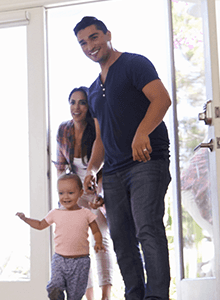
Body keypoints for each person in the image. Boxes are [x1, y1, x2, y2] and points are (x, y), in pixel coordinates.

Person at [73, 16, 173, 300]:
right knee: (121, 238)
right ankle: (134, 295)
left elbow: (162, 99)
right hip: (114, 172)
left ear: (108, 34)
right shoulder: (93, 91)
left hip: (146, 161)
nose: (90, 45)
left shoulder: (134, 64)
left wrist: (142, 133)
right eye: (83, 42)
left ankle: (156, 297)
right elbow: (102, 136)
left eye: (94, 37)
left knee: (147, 228)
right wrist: (92, 169)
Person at [54, 86, 115, 300]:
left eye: (82, 102)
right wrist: (65, 200)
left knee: (101, 240)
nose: (76, 107)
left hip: (100, 190)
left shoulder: (97, 131)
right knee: (79, 247)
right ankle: (88, 295)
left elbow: (107, 166)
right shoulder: (64, 130)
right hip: (77, 194)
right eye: (72, 102)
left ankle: (106, 295)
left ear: (89, 106)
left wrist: (99, 196)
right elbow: (61, 168)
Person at [17, 173, 105, 300]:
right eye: (61, 193)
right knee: (55, 286)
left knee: (75, 295)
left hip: (81, 262)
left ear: (80, 193)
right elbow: (40, 224)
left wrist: (98, 242)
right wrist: (25, 219)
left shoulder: (86, 213)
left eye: (70, 192)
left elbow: (96, 231)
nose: (65, 197)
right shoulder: (55, 213)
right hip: (60, 260)